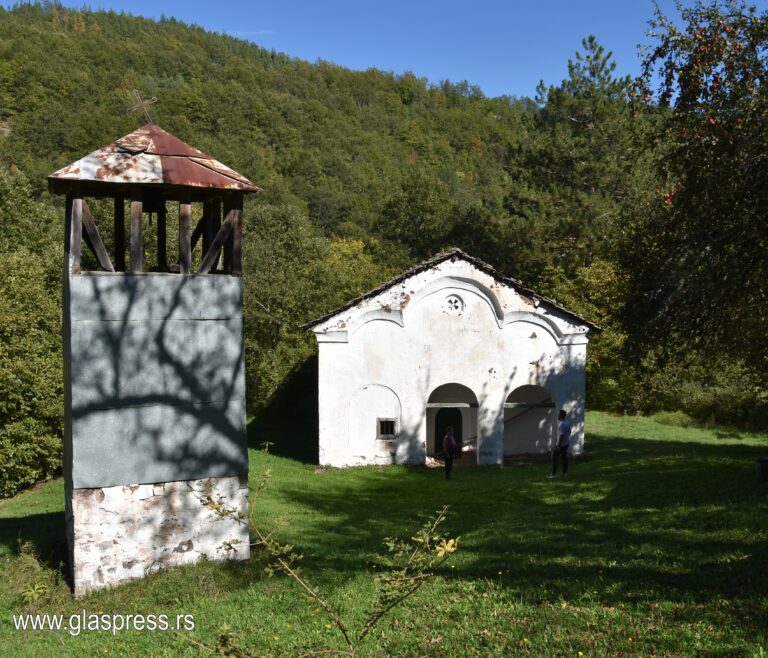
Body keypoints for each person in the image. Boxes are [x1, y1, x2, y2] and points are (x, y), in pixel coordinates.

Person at [549, 409, 571, 478]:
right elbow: (570, 431)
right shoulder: (567, 422)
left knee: (554, 458)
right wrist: (566, 439)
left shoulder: (561, 424)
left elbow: (561, 436)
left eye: (558, 414)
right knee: (564, 459)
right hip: (566, 443)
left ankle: (554, 474)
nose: (557, 416)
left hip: (560, 445)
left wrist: (558, 446)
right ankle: (565, 473)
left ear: (560, 415)